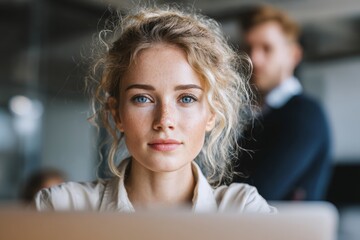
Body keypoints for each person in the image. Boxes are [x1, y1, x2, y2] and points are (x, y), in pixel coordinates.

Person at [34, 5, 276, 213]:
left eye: (187, 98)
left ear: (212, 112)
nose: (164, 120)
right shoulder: (63, 208)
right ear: (117, 113)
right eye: (142, 99)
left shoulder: (243, 211)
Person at [232, 5, 332, 200]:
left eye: (266, 48)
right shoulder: (254, 114)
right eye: (249, 48)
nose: (254, 59)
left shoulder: (305, 115)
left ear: (293, 55)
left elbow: (257, 195)